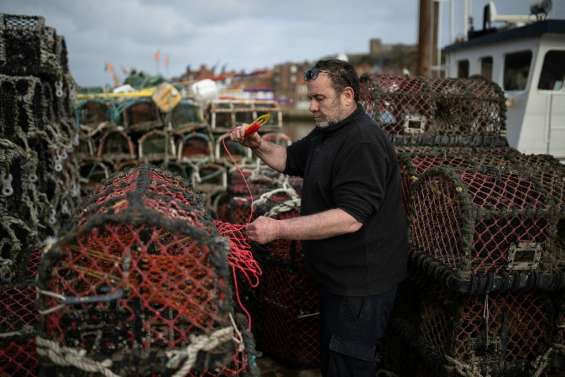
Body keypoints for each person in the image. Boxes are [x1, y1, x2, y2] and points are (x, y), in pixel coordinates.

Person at [230, 58, 408, 377]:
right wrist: (258, 144)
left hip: (361, 288)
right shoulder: (326, 132)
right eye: (309, 97)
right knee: (332, 363)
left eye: (319, 98)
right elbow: (286, 159)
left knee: (348, 366)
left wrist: (278, 229)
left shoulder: (362, 142)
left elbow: (350, 218)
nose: (311, 106)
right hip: (336, 280)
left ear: (348, 96)